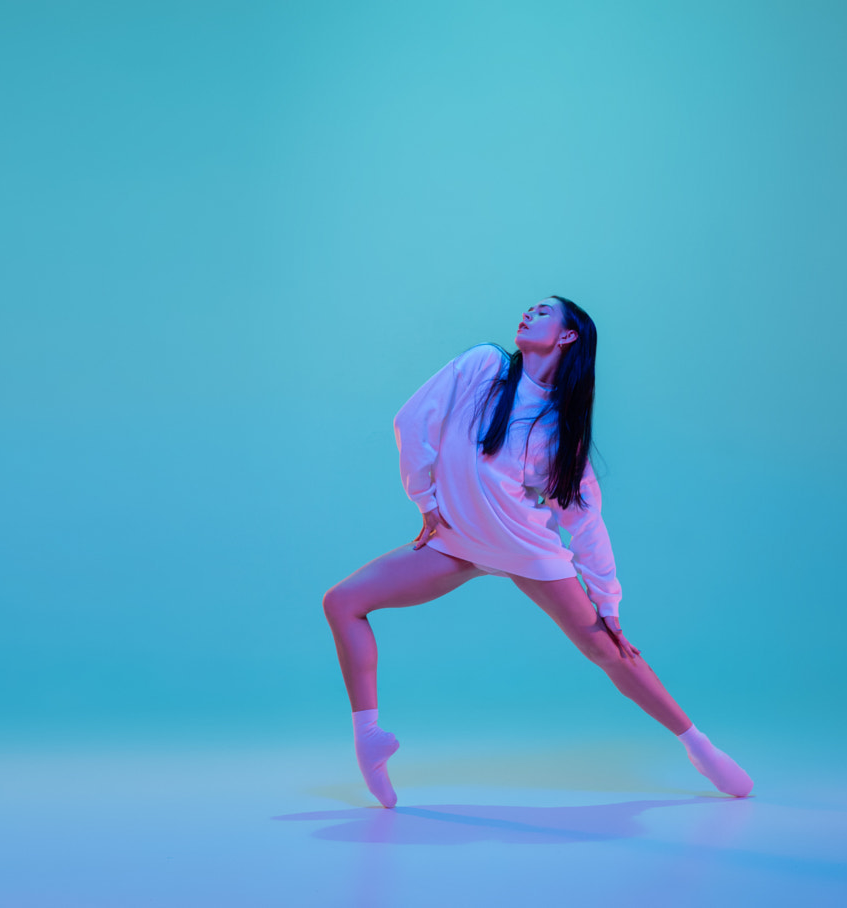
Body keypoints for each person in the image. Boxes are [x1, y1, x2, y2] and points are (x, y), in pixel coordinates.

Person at [321, 295, 753, 807]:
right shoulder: (483, 366)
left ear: (568, 336)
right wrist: (426, 499)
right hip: (456, 543)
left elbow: (585, 520)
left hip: (525, 549)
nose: (528, 313)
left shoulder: (558, 427)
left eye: (544, 312)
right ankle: (368, 739)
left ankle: (699, 748)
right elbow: (412, 420)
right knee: (342, 602)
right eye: (529, 308)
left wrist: (608, 603)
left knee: (609, 651)